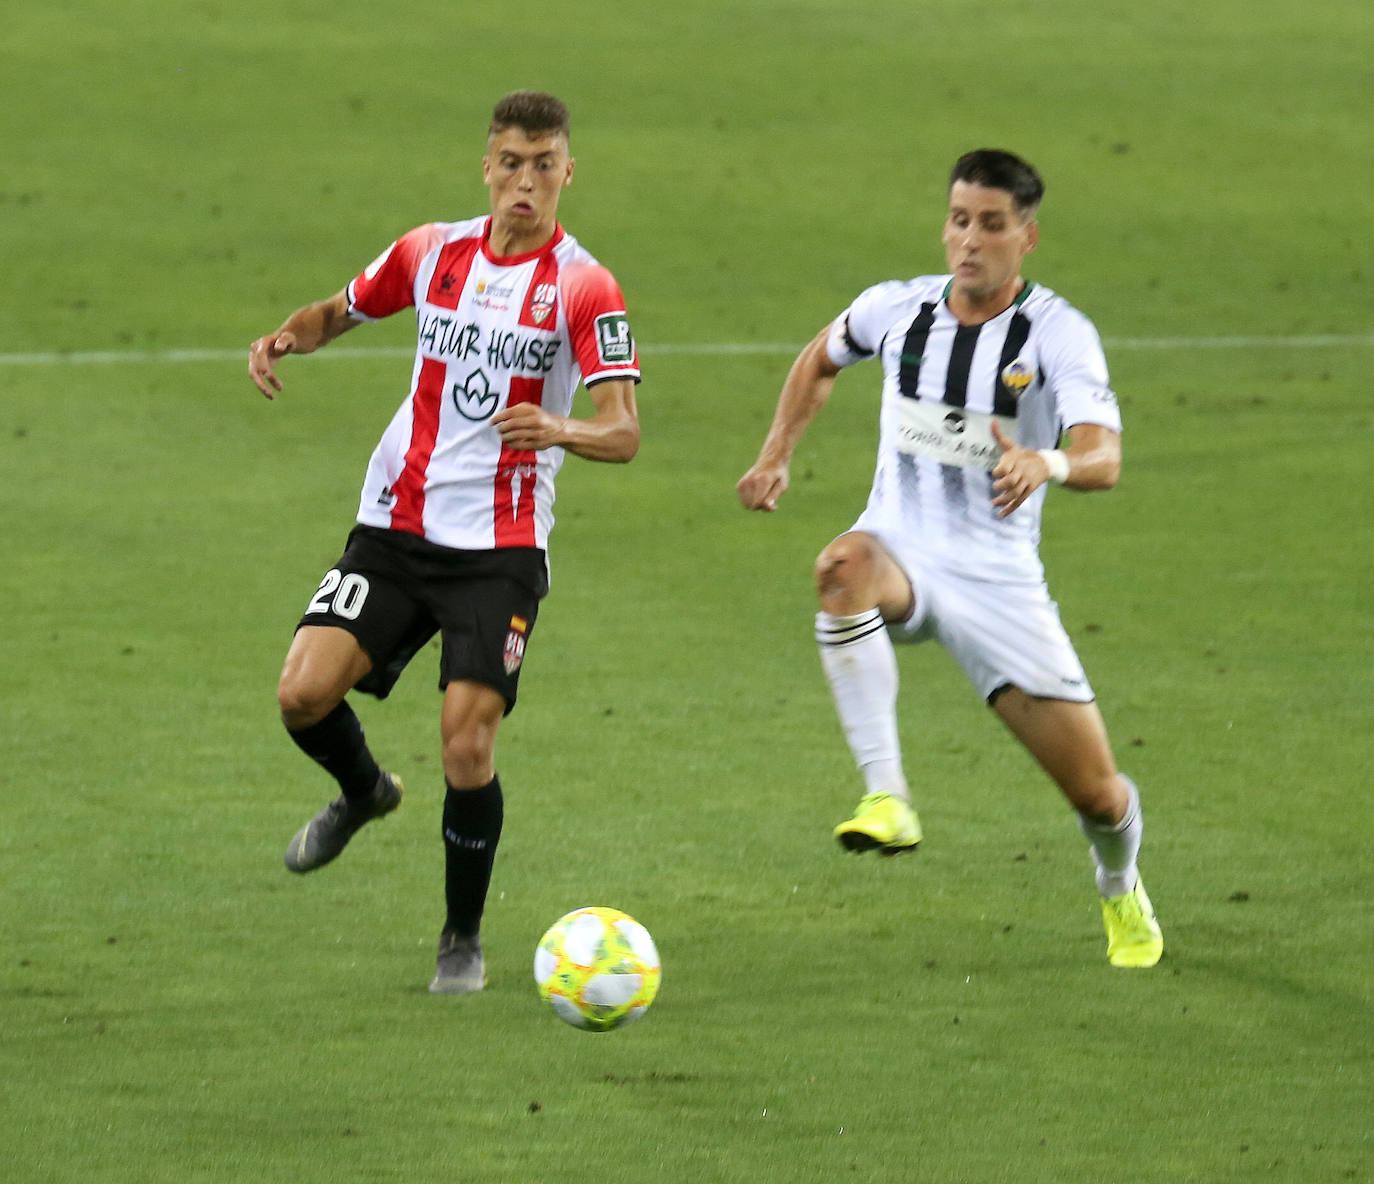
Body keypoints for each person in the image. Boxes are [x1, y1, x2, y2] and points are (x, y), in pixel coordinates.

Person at [248, 91, 640, 993]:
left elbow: (621, 430)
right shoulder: (433, 251)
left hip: (498, 553)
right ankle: (364, 793)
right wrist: (287, 338)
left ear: (568, 173)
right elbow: (342, 307)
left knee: (467, 745)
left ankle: (460, 938)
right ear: (487, 166)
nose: (526, 184)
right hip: (394, 525)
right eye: (511, 163)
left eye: (545, 166)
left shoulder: (586, 285)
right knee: (301, 695)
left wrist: (560, 428)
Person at [737, 149, 1162, 968]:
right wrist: (776, 453)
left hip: (998, 582)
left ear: (1026, 237)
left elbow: (1103, 455)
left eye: (992, 225)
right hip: (898, 545)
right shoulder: (896, 310)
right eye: (960, 219)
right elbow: (821, 358)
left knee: (1100, 797)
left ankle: (1120, 887)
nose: (970, 240)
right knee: (839, 569)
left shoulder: (1057, 333)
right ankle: (887, 796)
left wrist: (1049, 463)